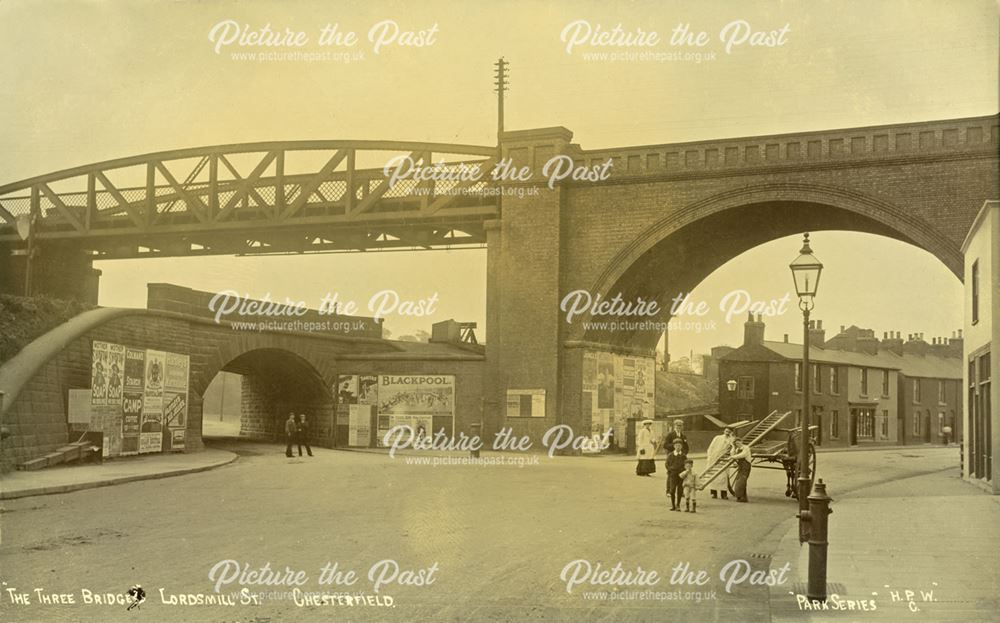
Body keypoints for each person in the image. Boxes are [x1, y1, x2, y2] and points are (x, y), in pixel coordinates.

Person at [706, 426, 736, 500]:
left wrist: (732, 439)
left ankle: (723, 494)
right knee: (713, 475)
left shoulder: (732, 440)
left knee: (724, 476)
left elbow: (733, 448)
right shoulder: (717, 437)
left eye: (729, 432)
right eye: (726, 431)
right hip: (714, 457)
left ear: (731, 432)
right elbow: (711, 447)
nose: (727, 433)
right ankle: (713, 493)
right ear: (724, 431)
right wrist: (710, 456)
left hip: (724, 459)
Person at [666, 438, 687, 511]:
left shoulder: (683, 456)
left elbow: (686, 465)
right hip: (673, 475)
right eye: (676, 445)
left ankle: (678, 505)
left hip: (680, 475)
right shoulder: (670, 455)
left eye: (679, 446)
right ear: (674, 446)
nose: (678, 447)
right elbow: (667, 464)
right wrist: (670, 470)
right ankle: (673, 505)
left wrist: (684, 472)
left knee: (680, 490)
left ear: (681, 447)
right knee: (672, 490)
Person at [730, 437, 753, 503]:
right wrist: (733, 447)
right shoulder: (737, 449)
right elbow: (732, 453)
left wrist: (732, 457)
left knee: (742, 481)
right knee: (740, 481)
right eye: (736, 443)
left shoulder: (746, 448)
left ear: (741, 442)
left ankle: (742, 497)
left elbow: (743, 455)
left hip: (746, 466)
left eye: (738, 442)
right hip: (740, 467)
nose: (738, 444)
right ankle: (741, 497)